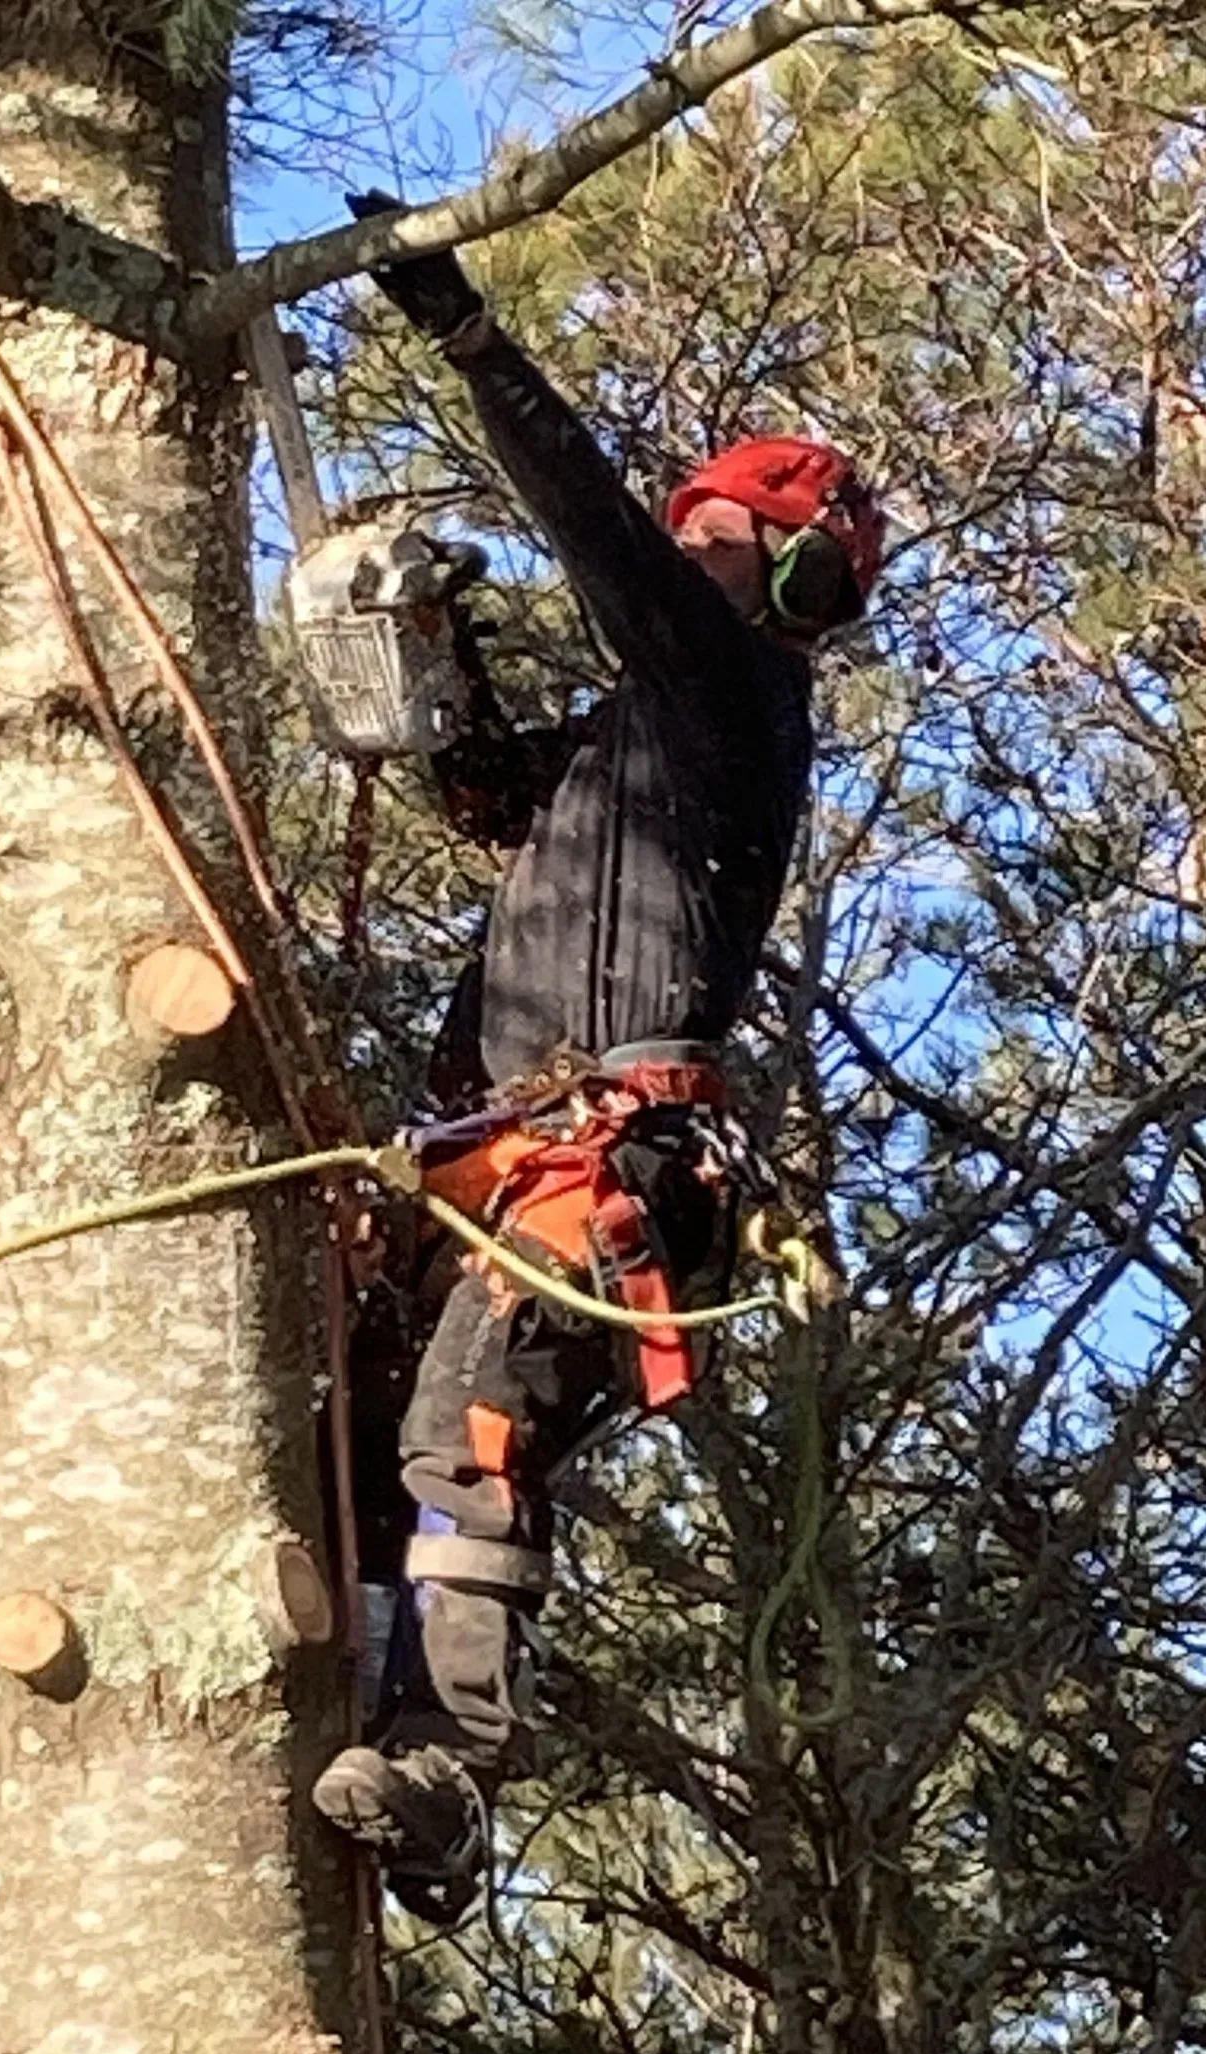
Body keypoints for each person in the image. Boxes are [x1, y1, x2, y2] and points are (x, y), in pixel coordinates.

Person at [314, 197, 884, 1923]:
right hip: (477, 1155)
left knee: (463, 1434)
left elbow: (606, 550)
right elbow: (487, 793)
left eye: (715, 540)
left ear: (778, 578)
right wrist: (416, 659)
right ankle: (331, 1719)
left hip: (596, 1164)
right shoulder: (633, 746)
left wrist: (466, 332)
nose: (687, 557)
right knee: (338, 1449)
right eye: (700, 536)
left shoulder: (738, 700)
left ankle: (447, 1769)